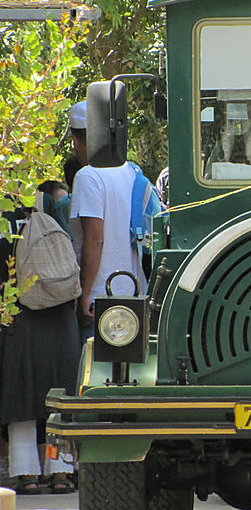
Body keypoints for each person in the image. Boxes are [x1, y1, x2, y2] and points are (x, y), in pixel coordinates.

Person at [0, 199, 80, 493]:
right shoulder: (49, 220)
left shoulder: (3, 227)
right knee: (58, 399)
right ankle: (60, 470)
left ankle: (26, 473)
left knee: (21, 396)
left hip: (19, 317)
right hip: (59, 317)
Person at [68, 100, 148, 341]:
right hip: (132, 289)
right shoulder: (131, 170)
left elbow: (95, 238)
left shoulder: (88, 176)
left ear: (76, 140)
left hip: (101, 297)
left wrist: (85, 294)